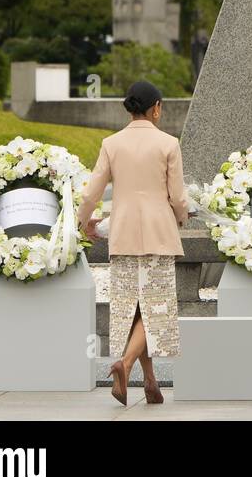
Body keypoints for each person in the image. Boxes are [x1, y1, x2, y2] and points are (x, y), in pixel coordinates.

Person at [77, 81, 187, 406]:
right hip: (159, 235)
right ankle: (124, 365)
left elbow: (91, 192)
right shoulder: (168, 143)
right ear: (156, 108)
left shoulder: (111, 143)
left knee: (132, 309)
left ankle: (150, 384)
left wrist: (84, 222)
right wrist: (182, 216)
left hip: (123, 235)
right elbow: (178, 196)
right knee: (155, 308)